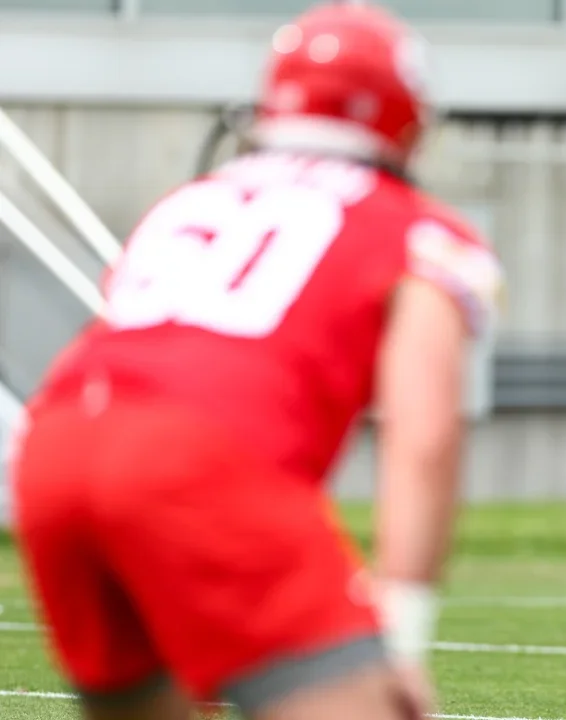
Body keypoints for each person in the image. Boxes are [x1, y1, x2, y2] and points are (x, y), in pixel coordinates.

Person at [10, 3, 502, 720]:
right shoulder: (420, 233)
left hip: (54, 451)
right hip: (202, 460)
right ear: (408, 117)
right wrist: (401, 631)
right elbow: (424, 437)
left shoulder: (190, 201)